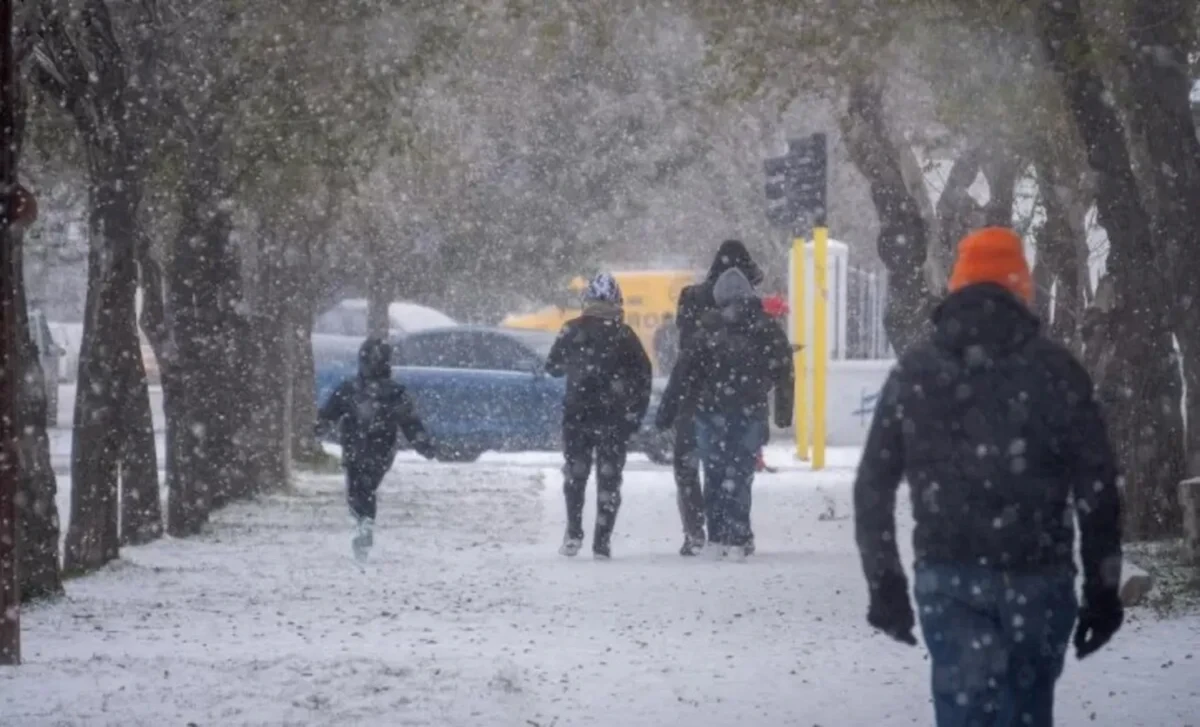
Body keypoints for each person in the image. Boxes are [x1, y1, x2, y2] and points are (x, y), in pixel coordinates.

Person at [853, 227, 1123, 727]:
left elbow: (873, 484)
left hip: (949, 572)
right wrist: (1103, 592)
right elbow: (1098, 488)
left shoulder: (916, 372)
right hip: (1039, 574)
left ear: (957, 285)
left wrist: (885, 584)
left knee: (965, 709)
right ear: (1022, 287)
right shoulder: (1057, 371)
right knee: (1026, 709)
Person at [657, 267, 793, 559]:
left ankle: (718, 536)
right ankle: (740, 536)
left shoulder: (706, 330)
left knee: (716, 475)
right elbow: (784, 370)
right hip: (750, 411)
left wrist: (667, 413)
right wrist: (782, 412)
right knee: (741, 474)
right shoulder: (767, 328)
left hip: (710, 413)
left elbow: (683, 375)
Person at [545, 273, 653, 560]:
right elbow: (644, 378)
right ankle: (602, 541)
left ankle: (574, 532)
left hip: (577, 415)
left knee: (575, 475)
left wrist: (576, 366)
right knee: (609, 479)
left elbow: (552, 367)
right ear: (618, 302)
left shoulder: (571, 330)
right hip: (613, 420)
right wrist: (633, 415)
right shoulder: (626, 336)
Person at [671, 240, 765, 556]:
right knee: (738, 468)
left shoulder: (691, 297)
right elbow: (763, 356)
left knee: (691, 466)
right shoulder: (751, 307)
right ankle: (738, 532)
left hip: (695, 396)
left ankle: (699, 532)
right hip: (737, 399)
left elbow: (684, 346)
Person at [317, 337, 439, 561]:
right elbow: (410, 422)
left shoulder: (352, 389)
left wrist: (320, 427)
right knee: (366, 487)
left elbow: (329, 413)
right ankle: (364, 523)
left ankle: (363, 523)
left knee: (358, 489)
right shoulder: (391, 392)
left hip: (361, 447)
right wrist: (422, 443)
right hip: (378, 448)